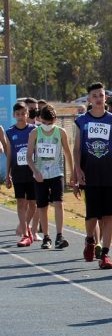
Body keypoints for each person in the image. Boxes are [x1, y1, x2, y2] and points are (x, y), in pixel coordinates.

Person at [73, 83, 112, 269]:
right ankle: (89, 240)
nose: (98, 98)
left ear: (105, 98)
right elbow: (77, 148)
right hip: (90, 173)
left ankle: (106, 254)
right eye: (94, 95)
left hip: (109, 172)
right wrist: (78, 171)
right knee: (93, 215)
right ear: (89, 99)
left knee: (109, 216)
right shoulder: (82, 120)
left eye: (101, 95)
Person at [27, 105, 74, 250]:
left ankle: (60, 236)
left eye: (50, 123)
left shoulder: (61, 132)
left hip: (56, 173)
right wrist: (35, 171)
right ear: (40, 119)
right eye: (45, 123)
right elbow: (29, 156)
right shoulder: (35, 133)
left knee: (58, 203)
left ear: (55, 120)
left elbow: (67, 153)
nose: (47, 126)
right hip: (40, 175)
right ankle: (46, 237)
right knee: (42, 206)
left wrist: (72, 173)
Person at [7, 103, 37, 247]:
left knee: (32, 203)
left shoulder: (34, 130)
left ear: (27, 114)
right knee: (20, 202)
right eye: (17, 114)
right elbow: (10, 154)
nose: (20, 116)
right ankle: (25, 233)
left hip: (32, 172)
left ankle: (24, 225)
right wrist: (7, 174)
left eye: (23, 113)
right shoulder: (10, 132)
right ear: (14, 115)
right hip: (18, 172)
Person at [23, 97, 42, 241]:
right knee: (25, 202)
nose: (34, 111)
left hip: (37, 168)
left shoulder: (39, 128)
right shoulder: (19, 127)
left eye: (36, 108)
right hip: (22, 170)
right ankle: (25, 227)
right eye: (31, 108)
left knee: (36, 201)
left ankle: (34, 230)